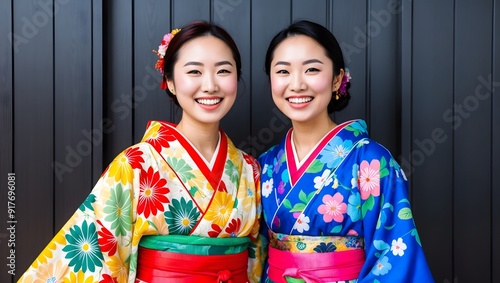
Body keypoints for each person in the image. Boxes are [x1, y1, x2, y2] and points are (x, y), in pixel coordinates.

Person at [18, 21, 263, 283]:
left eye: (223, 70)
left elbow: (255, 261)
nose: (210, 85)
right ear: (169, 81)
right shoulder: (135, 165)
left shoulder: (248, 169)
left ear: (236, 76)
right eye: (194, 72)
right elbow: (103, 255)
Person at [257, 20, 434, 283]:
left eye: (312, 69)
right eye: (283, 71)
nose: (296, 84)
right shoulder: (266, 165)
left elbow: (395, 260)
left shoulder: (372, 163)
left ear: (337, 78)